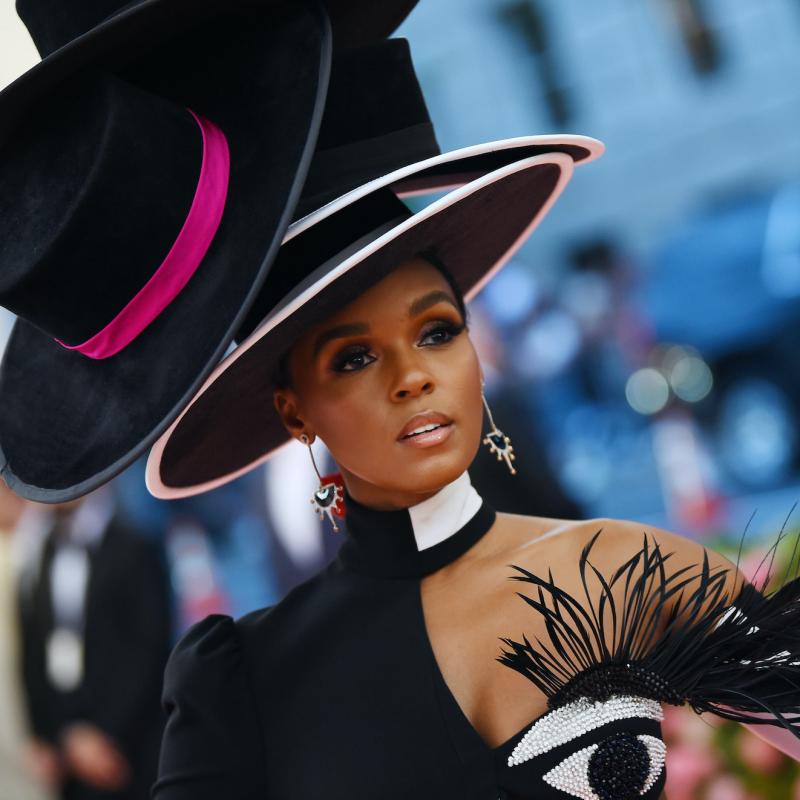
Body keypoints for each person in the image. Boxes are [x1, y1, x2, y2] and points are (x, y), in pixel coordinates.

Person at [143, 144, 800, 799]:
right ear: (295, 411)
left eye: (436, 332)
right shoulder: (242, 680)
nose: (413, 376)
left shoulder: (632, 568)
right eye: (354, 357)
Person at [16, 488, 172, 800]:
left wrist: (104, 733)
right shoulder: (41, 549)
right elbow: (33, 650)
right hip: (69, 755)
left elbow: (148, 651)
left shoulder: (135, 544)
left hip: (126, 751)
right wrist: (50, 734)